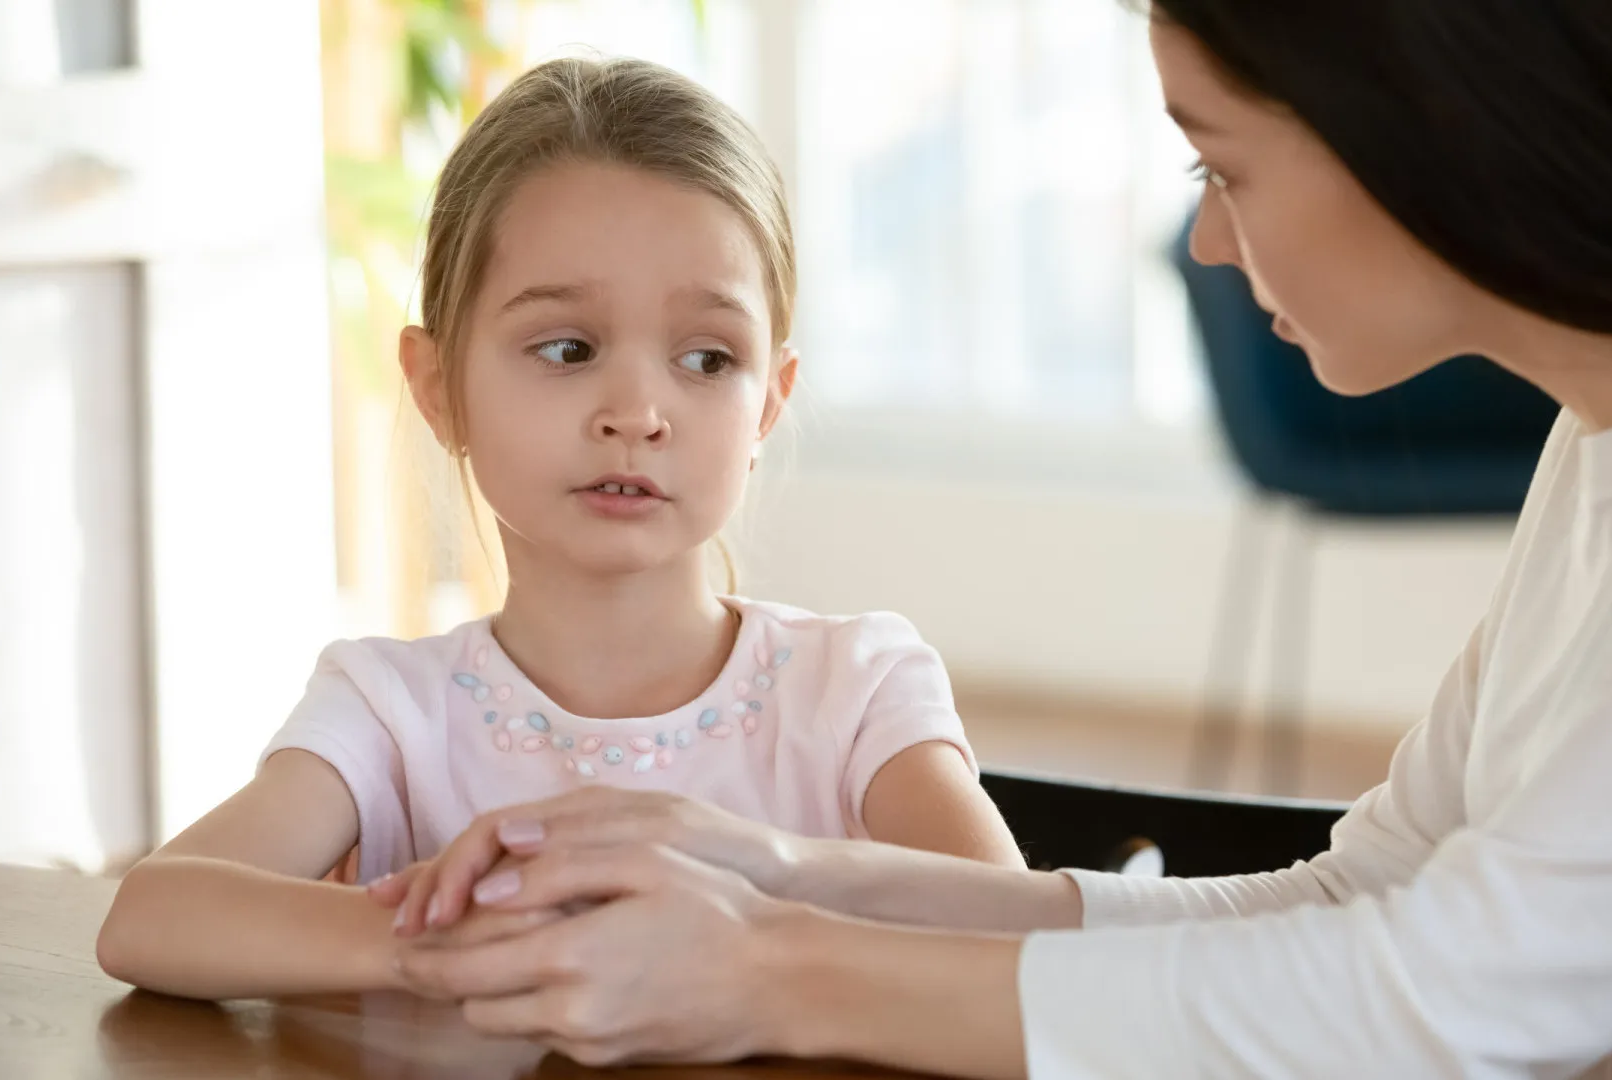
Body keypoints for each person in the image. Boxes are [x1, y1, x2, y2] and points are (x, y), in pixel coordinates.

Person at [375, 1, 1612, 1076]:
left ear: (1417, 138)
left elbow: (1445, 995)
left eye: (1221, 168)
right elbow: (1367, 891)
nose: (1209, 244)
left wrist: (769, 970)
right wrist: (783, 871)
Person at [93, 56, 1022, 1003]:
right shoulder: (389, 713)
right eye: (568, 349)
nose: (637, 411)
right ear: (437, 387)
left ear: (768, 408)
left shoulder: (857, 691)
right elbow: (150, 918)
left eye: (707, 358)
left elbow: (1022, 942)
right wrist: (441, 945)